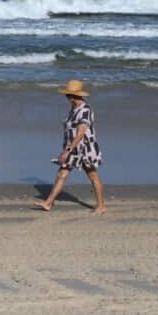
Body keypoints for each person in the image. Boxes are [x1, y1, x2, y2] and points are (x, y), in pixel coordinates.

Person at [33, 79, 105, 214]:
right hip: (73, 149)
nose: (66, 97)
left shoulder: (85, 110)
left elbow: (81, 133)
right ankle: (48, 203)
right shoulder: (74, 108)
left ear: (72, 96)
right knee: (62, 173)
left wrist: (66, 151)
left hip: (84, 149)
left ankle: (101, 206)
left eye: (67, 95)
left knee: (92, 175)